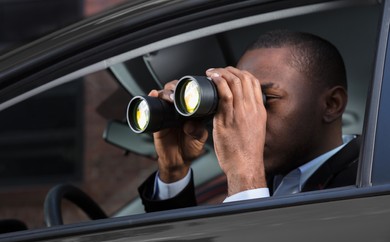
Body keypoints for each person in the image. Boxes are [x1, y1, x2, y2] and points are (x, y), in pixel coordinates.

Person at [137, 30, 360, 212]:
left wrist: (245, 176)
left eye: (265, 99)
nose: (249, 116)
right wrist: (174, 171)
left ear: (332, 104)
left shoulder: (373, 180)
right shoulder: (271, 179)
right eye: (241, 97)